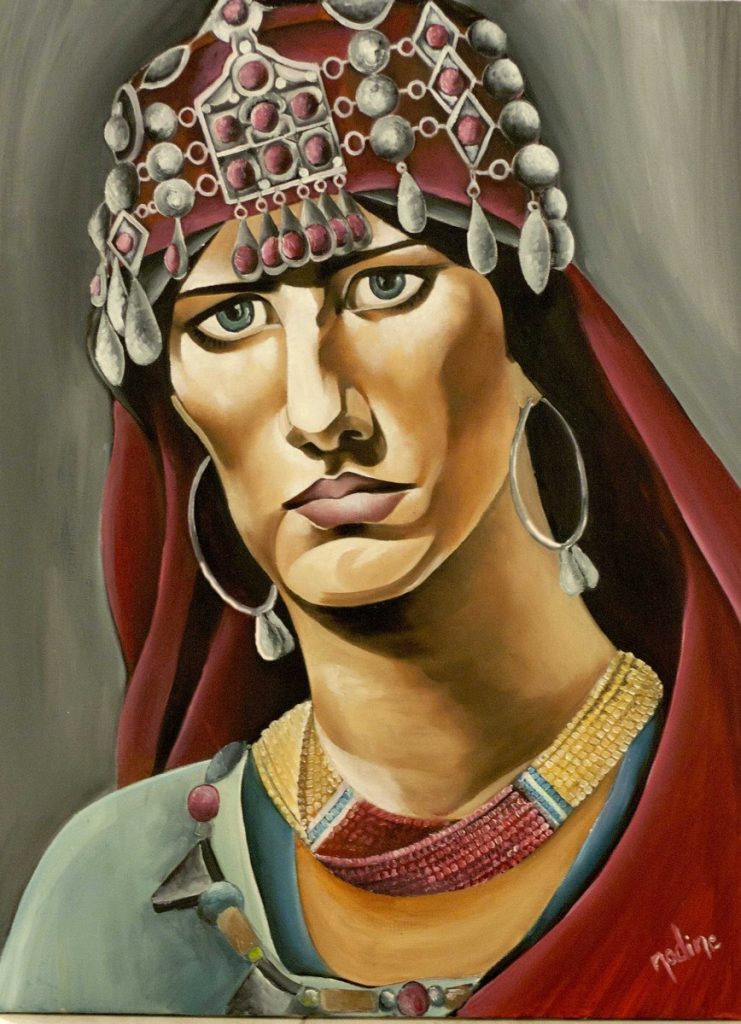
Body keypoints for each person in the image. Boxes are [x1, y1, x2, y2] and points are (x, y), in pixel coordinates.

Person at [0, 0, 737, 1017]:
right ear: (181, 413)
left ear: (527, 342)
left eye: (386, 286)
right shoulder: (106, 902)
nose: (320, 412)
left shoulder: (718, 811)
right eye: (233, 317)